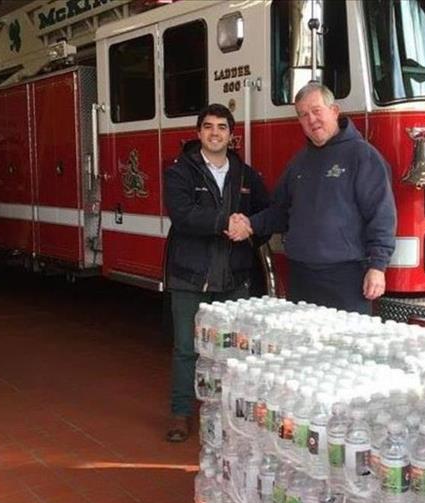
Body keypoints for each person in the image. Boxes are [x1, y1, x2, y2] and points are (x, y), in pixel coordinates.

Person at [227, 82, 396, 314]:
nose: (311, 120)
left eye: (317, 111)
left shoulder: (363, 156)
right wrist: (250, 224)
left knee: (344, 348)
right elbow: (280, 213)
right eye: (303, 115)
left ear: (334, 111)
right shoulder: (299, 163)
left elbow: (382, 216)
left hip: (346, 278)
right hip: (301, 276)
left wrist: (378, 267)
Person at [163, 104, 268, 442]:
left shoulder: (247, 176)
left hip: (234, 278)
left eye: (222, 127)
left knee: (233, 351)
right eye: (208, 127)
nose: (214, 133)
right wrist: (225, 222)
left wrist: (249, 230)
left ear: (231, 135)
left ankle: (228, 412)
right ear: (198, 133)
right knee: (186, 349)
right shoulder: (180, 171)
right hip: (189, 276)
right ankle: (180, 413)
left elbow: (264, 215)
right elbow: (183, 215)